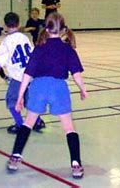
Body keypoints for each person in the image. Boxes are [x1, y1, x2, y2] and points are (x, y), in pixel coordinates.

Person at [6, 12, 87, 179]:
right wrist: (82, 88)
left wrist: (20, 96)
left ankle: (15, 157)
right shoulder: (67, 49)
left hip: (38, 87)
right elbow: (76, 73)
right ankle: (76, 164)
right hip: (58, 87)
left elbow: (27, 74)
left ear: (46, 29)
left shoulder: (39, 47)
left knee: (28, 123)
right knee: (69, 128)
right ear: (63, 29)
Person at [0, 12, 46, 134]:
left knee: (11, 101)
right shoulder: (24, 38)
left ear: (5, 26)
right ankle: (37, 122)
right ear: (19, 24)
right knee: (30, 101)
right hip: (31, 74)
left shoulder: (7, 41)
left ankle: (20, 124)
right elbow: (33, 55)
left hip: (18, 77)